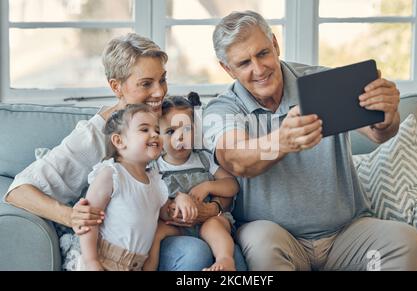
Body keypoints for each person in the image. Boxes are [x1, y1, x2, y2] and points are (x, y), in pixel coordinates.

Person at [203, 10, 417, 271]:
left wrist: (386, 114)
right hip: (278, 239)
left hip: (347, 235)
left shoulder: (322, 84)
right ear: (227, 69)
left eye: (263, 53)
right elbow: (237, 159)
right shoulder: (223, 108)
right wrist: (282, 142)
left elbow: (379, 132)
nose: (259, 69)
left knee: (405, 241)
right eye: (244, 63)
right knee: (262, 242)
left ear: (275, 44)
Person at [4, 33, 244, 271]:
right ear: (116, 86)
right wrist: (71, 216)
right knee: (195, 253)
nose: (160, 92)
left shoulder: (172, 116)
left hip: (169, 229)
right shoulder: (93, 139)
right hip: (114, 248)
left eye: (162, 79)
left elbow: (214, 174)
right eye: (146, 83)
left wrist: (213, 209)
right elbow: (18, 191)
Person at [146, 93, 239, 271]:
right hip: (175, 225)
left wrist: (208, 186)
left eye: (187, 129)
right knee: (155, 232)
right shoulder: (155, 167)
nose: (180, 137)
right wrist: (178, 199)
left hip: (208, 221)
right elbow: (151, 200)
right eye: (171, 131)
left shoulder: (204, 159)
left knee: (213, 226)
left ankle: (225, 260)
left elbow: (232, 185)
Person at [79, 104, 168, 271]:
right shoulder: (111, 175)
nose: (155, 134)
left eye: (157, 130)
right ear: (119, 141)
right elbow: (89, 220)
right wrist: (91, 261)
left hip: (137, 265)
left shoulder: (156, 182)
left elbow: (164, 216)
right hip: (104, 261)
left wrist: (182, 200)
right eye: (144, 129)